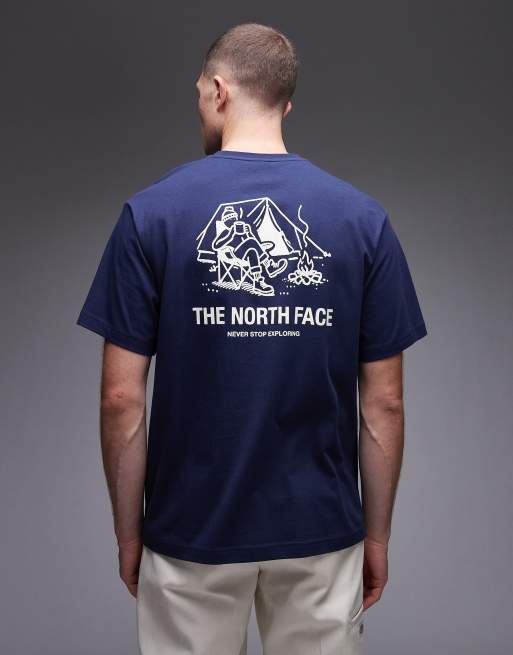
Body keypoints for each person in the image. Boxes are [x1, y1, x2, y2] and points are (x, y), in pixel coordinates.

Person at [77, 22, 428, 655]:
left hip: (190, 531)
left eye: (198, 92)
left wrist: (129, 534)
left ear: (218, 90)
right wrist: (376, 537)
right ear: (284, 104)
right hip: (322, 530)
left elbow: (121, 401)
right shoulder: (364, 221)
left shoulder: (150, 214)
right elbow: (384, 404)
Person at [212, 205, 288, 296]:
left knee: (252, 249)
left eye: (234, 218)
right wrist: (231, 235)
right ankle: (269, 266)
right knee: (251, 243)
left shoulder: (243, 230)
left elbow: (254, 244)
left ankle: (258, 282)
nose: (233, 221)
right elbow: (215, 246)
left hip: (249, 254)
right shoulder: (226, 232)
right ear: (225, 222)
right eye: (230, 219)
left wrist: (250, 233)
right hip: (235, 255)